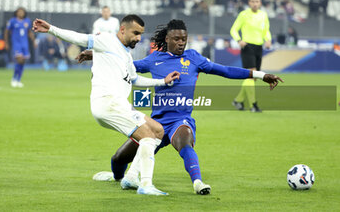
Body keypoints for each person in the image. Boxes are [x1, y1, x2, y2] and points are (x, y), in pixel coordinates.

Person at [77, 20, 283, 195]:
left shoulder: (194, 58)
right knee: (119, 158)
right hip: (155, 123)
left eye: (183, 39)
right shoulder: (155, 59)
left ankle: (198, 183)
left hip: (179, 120)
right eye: (176, 39)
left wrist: (260, 75)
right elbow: (123, 63)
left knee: (185, 141)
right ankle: (116, 177)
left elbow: (225, 70)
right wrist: (94, 55)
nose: (181, 43)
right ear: (166, 39)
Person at [32, 15, 181, 196]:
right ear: (122, 30)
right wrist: (51, 29)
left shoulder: (126, 53)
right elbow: (79, 38)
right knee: (147, 136)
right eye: (135, 33)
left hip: (118, 103)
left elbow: (134, 79)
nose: (138, 38)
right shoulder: (106, 40)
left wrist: (162, 82)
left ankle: (132, 177)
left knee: (158, 130)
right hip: (108, 102)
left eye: (141, 34)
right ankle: (146, 185)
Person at [230, 0, 272, 112]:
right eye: (253, 1)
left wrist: (268, 39)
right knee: (252, 74)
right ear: (249, 3)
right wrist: (239, 40)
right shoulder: (244, 15)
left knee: (253, 78)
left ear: (260, 3)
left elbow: (266, 30)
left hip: (259, 47)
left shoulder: (263, 15)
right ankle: (253, 105)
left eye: (257, 1)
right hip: (247, 47)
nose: (255, 3)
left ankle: (238, 100)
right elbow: (233, 29)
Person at [4, 7, 36, 88]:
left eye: (22, 11)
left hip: (24, 44)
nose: (21, 13)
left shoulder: (27, 21)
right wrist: (6, 43)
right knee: (19, 59)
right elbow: (6, 32)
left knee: (23, 62)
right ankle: (14, 78)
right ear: (16, 13)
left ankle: (18, 79)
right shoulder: (12, 21)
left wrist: (34, 41)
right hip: (16, 44)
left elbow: (29, 32)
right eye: (19, 11)